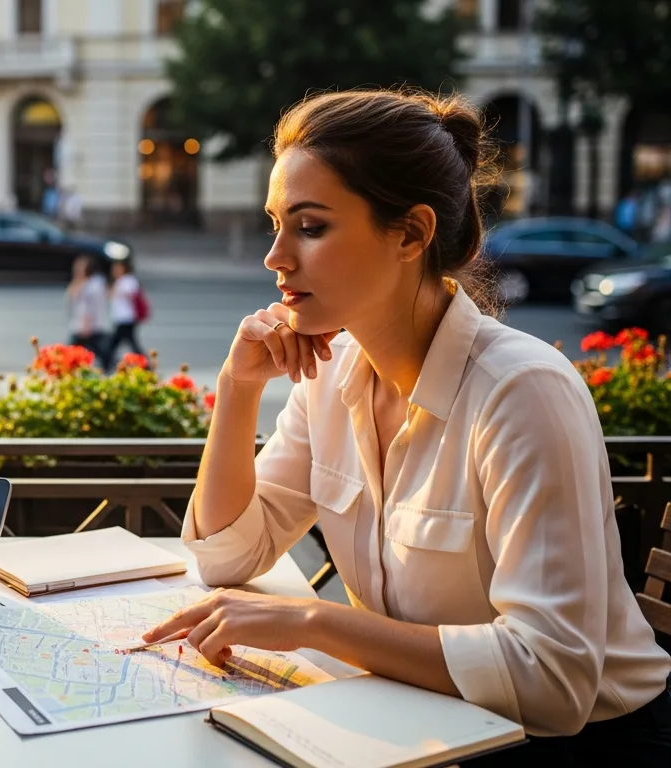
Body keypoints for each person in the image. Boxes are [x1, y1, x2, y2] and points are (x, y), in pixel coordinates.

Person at [141, 89, 671, 764]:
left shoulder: (521, 392)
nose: (275, 256)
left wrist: (315, 621)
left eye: (309, 227)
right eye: (274, 223)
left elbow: (553, 681)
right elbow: (225, 557)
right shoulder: (330, 377)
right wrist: (238, 389)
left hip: (586, 744)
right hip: (422, 724)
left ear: (412, 233)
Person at [66, 255, 108, 361]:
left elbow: (90, 306)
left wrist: (86, 324)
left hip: (87, 324)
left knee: (71, 351)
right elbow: (71, 295)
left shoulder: (92, 285)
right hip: (83, 323)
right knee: (94, 349)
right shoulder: (85, 282)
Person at [105, 259, 143, 369]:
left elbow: (132, 295)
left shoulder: (128, 280)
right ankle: (144, 364)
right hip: (120, 318)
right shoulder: (118, 281)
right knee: (130, 343)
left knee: (114, 344)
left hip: (127, 318)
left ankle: (107, 364)